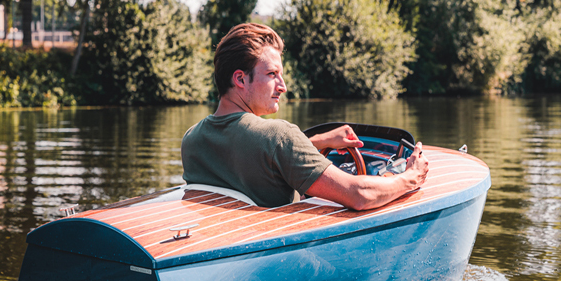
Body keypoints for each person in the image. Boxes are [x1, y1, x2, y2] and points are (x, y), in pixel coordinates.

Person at [181, 22, 428, 210]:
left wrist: (318, 141)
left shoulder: (192, 139)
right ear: (240, 79)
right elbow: (358, 194)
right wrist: (410, 177)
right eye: (272, 74)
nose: (283, 85)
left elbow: (256, 156)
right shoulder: (278, 136)